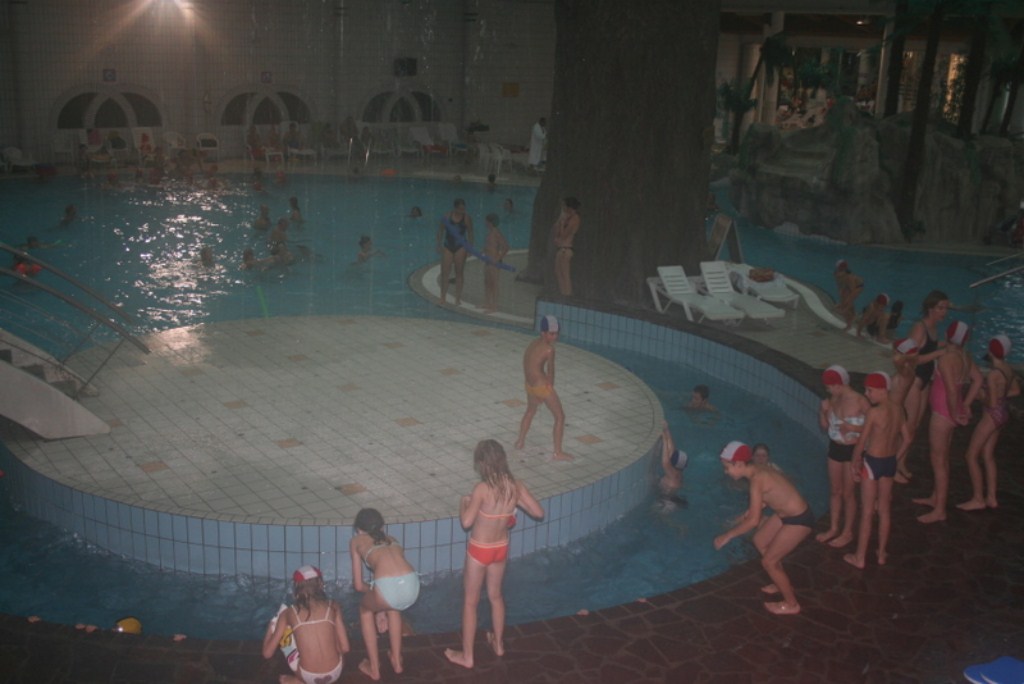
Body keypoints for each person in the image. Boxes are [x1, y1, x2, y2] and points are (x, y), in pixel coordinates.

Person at [444, 439, 544, 669]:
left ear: (482, 464)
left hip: (480, 549)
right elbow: (538, 512)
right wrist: (512, 508)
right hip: (501, 548)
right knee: (496, 596)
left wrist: (464, 503)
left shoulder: (482, 489)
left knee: (470, 602)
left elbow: (466, 522)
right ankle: (498, 644)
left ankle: (467, 657)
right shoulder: (515, 486)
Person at [713, 442, 812, 616]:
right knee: (759, 540)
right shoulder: (757, 471)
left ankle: (792, 604)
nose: (726, 472)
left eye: (727, 467)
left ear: (739, 464)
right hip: (785, 514)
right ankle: (780, 581)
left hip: (799, 519)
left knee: (768, 562)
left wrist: (727, 535)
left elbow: (754, 521)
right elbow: (772, 492)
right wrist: (752, 510)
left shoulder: (757, 479)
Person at [914, 320, 983, 524]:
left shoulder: (947, 358)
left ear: (947, 336)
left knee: (939, 462)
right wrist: (966, 405)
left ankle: (940, 510)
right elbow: (978, 380)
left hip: (943, 414)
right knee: (943, 459)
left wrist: (954, 413)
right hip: (951, 412)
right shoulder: (965, 356)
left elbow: (952, 391)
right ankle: (936, 497)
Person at [843, 372, 912, 569]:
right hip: (889, 463)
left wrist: (854, 463)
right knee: (884, 510)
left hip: (872, 463)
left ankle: (860, 557)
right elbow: (908, 439)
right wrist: (896, 459)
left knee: (866, 512)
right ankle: (881, 553)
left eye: (870, 390)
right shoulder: (899, 410)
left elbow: (861, 442)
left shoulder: (874, 413)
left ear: (883, 390)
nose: (867, 394)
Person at [349, 508, 420, 681]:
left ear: (358, 529)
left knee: (365, 610)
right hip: (413, 584)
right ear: (382, 527)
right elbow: (390, 576)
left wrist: (378, 601)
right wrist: (381, 604)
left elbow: (358, 585)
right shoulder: (392, 539)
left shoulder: (356, 541)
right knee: (393, 608)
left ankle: (374, 668)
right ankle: (396, 660)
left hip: (389, 588)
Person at [958, 335, 1020, 511]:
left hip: (991, 416)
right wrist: (1000, 396)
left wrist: (980, 396)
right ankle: (991, 497)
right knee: (988, 455)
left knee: (971, 456)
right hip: (1003, 414)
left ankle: (978, 498)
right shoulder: (1008, 369)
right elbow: (1016, 391)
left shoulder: (993, 375)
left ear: (991, 351)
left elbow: (991, 404)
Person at [262, 565, 351, 684]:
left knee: (284, 628)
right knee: (332, 627)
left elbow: (267, 654)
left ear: (296, 588)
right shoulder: (333, 605)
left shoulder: (288, 613)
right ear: (321, 584)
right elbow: (345, 648)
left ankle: (297, 681)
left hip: (307, 677)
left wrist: (272, 625)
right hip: (336, 672)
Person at [816, 365, 869, 547]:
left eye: (829, 387)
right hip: (835, 448)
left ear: (838, 384)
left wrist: (852, 428)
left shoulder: (860, 401)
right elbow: (825, 427)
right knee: (835, 490)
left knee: (848, 494)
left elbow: (875, 427)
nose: (828, 390)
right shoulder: (834, 399)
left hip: (852, 450)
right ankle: (833, 528)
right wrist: (823, 412)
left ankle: (847, 533)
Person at [902, 290, 951, 476]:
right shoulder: (920, 327)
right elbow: (911, 358)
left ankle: (901, 462)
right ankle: (894, 464)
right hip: (914, 381)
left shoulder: (933, 328)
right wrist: (938, 353)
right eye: (941, 308)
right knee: (907, 427)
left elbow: (928, 346)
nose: (944, 312)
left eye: (945, 308)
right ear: (930, 309)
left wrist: (944, 345)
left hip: (925, 380)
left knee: (914, 426)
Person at [514, 315, 572, 461]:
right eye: (551, 334)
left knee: (530, 411)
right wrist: (547, 389)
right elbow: (551, 371)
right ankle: (558, 452)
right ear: (543, 333)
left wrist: (533, 388)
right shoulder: (549, 349)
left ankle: (520, 441)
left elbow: (527, 364)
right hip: (541, 385)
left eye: (556, 333)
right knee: (560, 417)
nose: (555, 337)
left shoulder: (533, 343)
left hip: (529, 385)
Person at [889, 338, 920, 482]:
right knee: (894, 441)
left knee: (891, 443)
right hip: (895, 410)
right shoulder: (909, 370)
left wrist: (900, 353)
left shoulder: (906, 371)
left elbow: (896, 360)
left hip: (894, 412)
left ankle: (892, 469)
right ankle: (892, 467)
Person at [436, 198, 474, 305]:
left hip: (461, 247)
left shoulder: (466, 218)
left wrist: (470, 248)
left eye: (464, 209)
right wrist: (438, 244)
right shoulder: (447, 216)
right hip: (448, 246)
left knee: (459, 273)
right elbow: (440, 231)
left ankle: (457, 298)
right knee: (445, 272)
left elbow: (470, 233)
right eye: (460, 209)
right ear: (455, 208)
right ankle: (442, 297)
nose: (462, 211)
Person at [656, 422, 689, 509]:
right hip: (671, 496)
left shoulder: (673, 474)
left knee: (656, 513)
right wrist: (667, 431)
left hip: (667, 500)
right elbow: (672, 451)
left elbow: (665, 462)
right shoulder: (678, 471)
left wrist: (664, 439)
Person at [552, 197, 580, 297]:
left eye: (564, 206)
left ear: (569, 207)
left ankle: (567, 295)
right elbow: (555, 232)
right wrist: (560, 221)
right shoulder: (565, 218)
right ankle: (563, 294)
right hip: (561, 249)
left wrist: (562, 223)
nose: (562, 208)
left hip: (566, 249)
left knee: (565, 274)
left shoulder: (575, 219)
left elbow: (564, 235)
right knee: (558, 272)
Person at [481, 213, 509, 313]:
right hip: (488, 261)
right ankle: (487, 303)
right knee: (487, 282)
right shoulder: (490, 232)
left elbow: (506, 247)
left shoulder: (497, 233)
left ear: (490, 222)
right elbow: (489, 246)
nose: (485, 223)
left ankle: (494, 306)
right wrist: (483, 252)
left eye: (486, 221)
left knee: (494, 284)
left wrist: (497, 259)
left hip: (494, 262)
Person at [833, 259, 864, 331]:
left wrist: (845, 307)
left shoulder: (849, 277)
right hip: (847, 287)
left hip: (858, 287)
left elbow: (852, 292)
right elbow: (839, 286)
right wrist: (842, 298)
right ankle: (852, 315)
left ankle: (849, 324)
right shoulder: (836, 274)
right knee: (844, 302)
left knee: (847, 304)